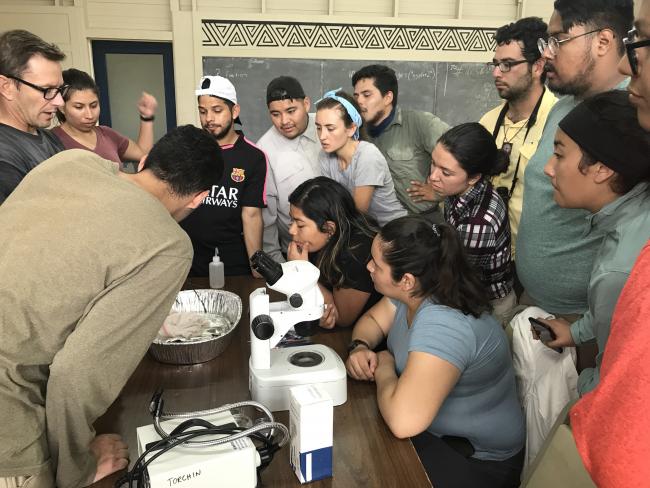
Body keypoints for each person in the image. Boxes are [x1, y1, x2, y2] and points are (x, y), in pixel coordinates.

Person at [0, 125, 224, 488]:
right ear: (199, 198)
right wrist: (79, 467)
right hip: (9, 422)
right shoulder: (167, 245)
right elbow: (76, 375)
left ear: (147, 159)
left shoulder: (69, 162)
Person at [346, 216, 524, 488]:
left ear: (406, 280)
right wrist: (360, 346)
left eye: (376, 264)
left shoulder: (444, 324)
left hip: (474, 459)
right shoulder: (414, 292)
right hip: (432, 431)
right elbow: (372, 322)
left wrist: (383, 365)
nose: (368, 266)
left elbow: (403, 421)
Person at [570, 16, 650, 484]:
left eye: (638, 39)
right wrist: (578, 330)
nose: (625, 61)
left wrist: (583, 383)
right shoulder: (625, 221)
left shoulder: (624, 267)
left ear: (601, 170)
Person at [516, 0, 634, 319]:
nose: (547, 53)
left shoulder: (632, 117)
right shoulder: (564, 106)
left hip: (583, 319)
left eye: (558, 40)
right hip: (535, 300)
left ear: (602, 41)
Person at [479, 17, 557, 259]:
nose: (496, 73)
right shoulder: (487, 121)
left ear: (538, 66)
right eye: (495, 64)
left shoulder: (558, 124)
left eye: (507, 64)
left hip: (533, 256)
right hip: (486, 251)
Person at [180, 75, 267, 277]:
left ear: (234, 111)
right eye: (203, 111)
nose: (208, 118)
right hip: (188, 263)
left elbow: (251, 215)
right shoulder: (188, 149)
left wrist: (257, 272)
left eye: (217, 110)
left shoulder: (253, 157)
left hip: (233, 265)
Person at [428, 123, 514, 324]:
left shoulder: (477, 223)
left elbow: (457, 279)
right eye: (433, 163)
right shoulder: (461, 190)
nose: (432, 176)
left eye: (446, 172)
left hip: (486, 304)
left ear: (474, 177)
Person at [351, 64, 449, 220]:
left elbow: (461, 155)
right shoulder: (353, 133)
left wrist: (439, 193)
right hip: (377, 225)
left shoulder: (420, 123)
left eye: (366, 95)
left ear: (387, 98)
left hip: (422, 221)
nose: (359, 102)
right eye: (356, 96)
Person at [287, 176, 381, 328]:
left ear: (329, 229)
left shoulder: (357, 252)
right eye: (292, 220)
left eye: (300, 225)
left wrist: (302, 271)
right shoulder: (319, 241)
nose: (292, 230)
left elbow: (341, 317)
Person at [316, 89, 406, 226]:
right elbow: (328, 202)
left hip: (393, 230)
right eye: (318, 128)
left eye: (330, 128)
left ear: (351, 128)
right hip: (362, 230)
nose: (322, 136)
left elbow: (358, 214)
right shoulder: (324, 155)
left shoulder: (368, 156)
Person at [257, 76, 320, 262]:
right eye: (275, 114)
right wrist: (279, 265)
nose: (284, 121)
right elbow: (267, 218)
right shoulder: (264, 150)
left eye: (291, 111)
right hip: (296, 252)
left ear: (306, 104)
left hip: (339, 248)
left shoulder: (328, 126)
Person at [0, 29, 66, 204]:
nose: (59, 102)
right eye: (47, 90)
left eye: (59, 89)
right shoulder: (4, 157)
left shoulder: (47, 136)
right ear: (6, 87)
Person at [52, 68, 157, 166]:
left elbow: (143, 153)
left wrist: (146, 116)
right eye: (79, 107)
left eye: (94, 105)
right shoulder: (51, 141)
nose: (89, 115)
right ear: (61, 107)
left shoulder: (107, 135)